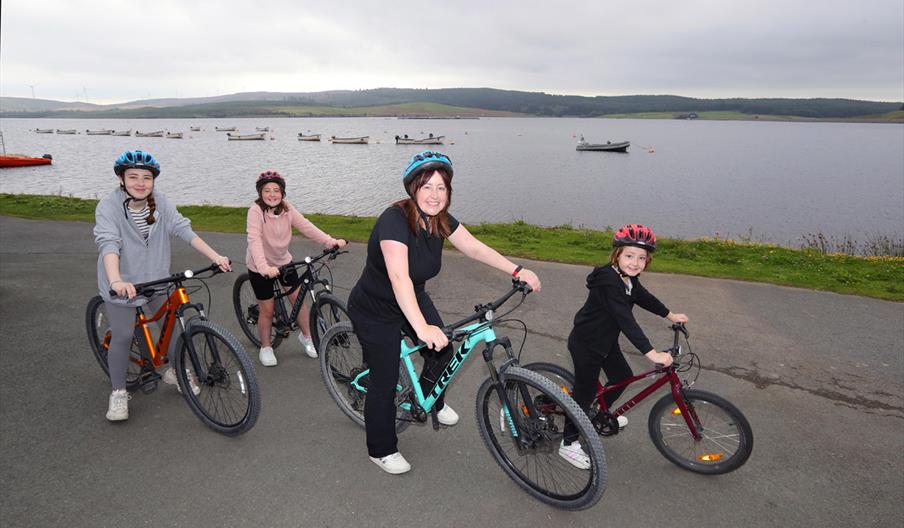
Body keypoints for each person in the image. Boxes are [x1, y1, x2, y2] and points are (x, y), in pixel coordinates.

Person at [347, 150, 542, 475]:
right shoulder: (393, 220)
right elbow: (399, 277)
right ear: (413, 189)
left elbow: (474, 247)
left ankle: (431, 400)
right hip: (376, 308)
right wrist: (421, 327)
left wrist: (517, 270)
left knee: (443, 351)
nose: (435, 195)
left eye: (442, 187)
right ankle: (380, 449)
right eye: (427, 187)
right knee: (385, 378)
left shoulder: (440, 220)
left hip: (414, 297)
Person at [94, 150, 232, 422]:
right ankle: (119, 392)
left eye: (146, 177)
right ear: (122, 179)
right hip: (121, 283)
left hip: (156, 278)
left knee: (173, 328)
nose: (140, 183)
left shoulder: (162, 203)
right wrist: (116, 280)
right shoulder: (108, 207)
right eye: (133, 177)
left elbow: (183, 229)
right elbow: (109, 244)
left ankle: (175, 372)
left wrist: (215, 256)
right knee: (122, 336)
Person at [559, 224, 688, 469]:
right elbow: (625, 319)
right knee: (583, 395)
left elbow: (644, 298)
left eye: (642, 258)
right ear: (617, 255)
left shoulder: (628, 279)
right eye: (629, 256)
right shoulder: (609, 280)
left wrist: (670, 315)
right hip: (587, 344)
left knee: (622, 377)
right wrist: (652, 353)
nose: (635, 262)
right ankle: (568, 443)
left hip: (606, 342)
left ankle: (597, 414)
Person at [245, 170, 347, 366]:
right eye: (267, 190)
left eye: (276, 190)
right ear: (260, 193)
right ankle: (266, 346)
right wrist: (264, 267)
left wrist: (330, 242)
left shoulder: (287, 209)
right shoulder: (255, 211)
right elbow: (254, 239)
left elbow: (306, 226)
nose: (272, 194)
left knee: (298, 300)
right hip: (260, 267)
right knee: (267, 309)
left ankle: (308, 337)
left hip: (284, 261)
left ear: (282, 193)